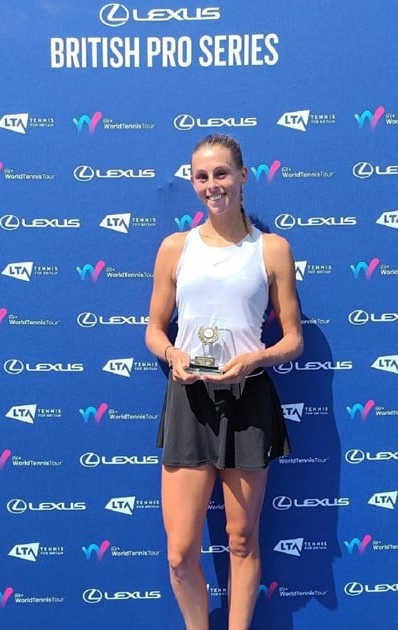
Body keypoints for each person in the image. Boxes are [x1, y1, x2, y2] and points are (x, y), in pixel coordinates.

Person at [145, 134, 303, 630]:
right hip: (189, 400)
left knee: (241, 539)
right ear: (193, 183)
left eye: (221, 173)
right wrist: (172, 353)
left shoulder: (272, 250)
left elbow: (294, 340)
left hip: (248, 400)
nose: (212, 184)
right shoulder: (175, 248)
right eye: (201, 176)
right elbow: (153, 330)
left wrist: (258, 358)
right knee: (179, 554)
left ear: (242, 176)